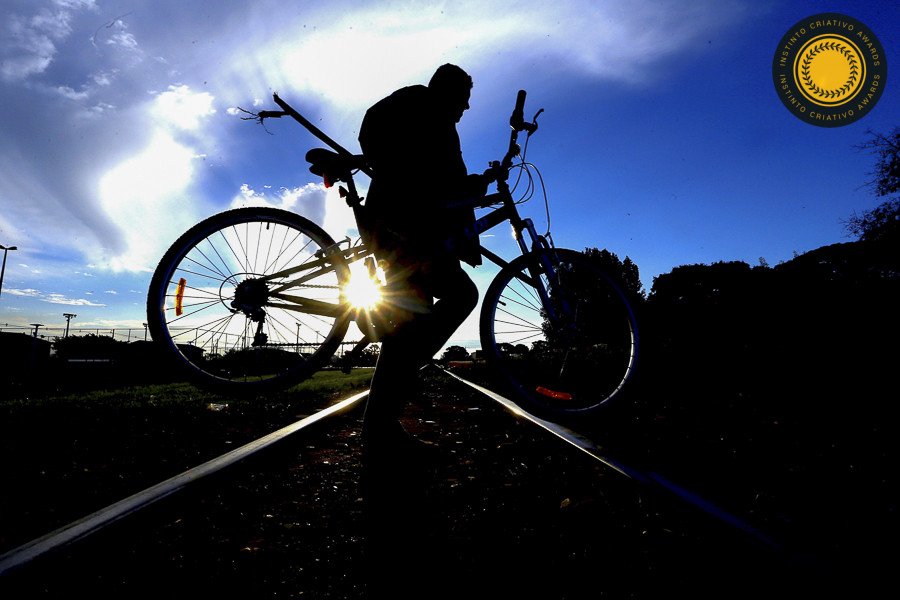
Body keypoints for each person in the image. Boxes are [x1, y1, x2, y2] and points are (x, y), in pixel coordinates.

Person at [357, 64, 495, 465]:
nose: (466, 108)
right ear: (448, 92)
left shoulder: (424, 112)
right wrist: (474, 185)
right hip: (405, 230)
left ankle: (381, 424)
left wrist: (471, 186)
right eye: (463, 100)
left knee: (413, 319)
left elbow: (439, 179)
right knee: (459, 295)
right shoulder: (429, 113)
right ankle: (397, 388)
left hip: (405, 227)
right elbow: (436, 178)